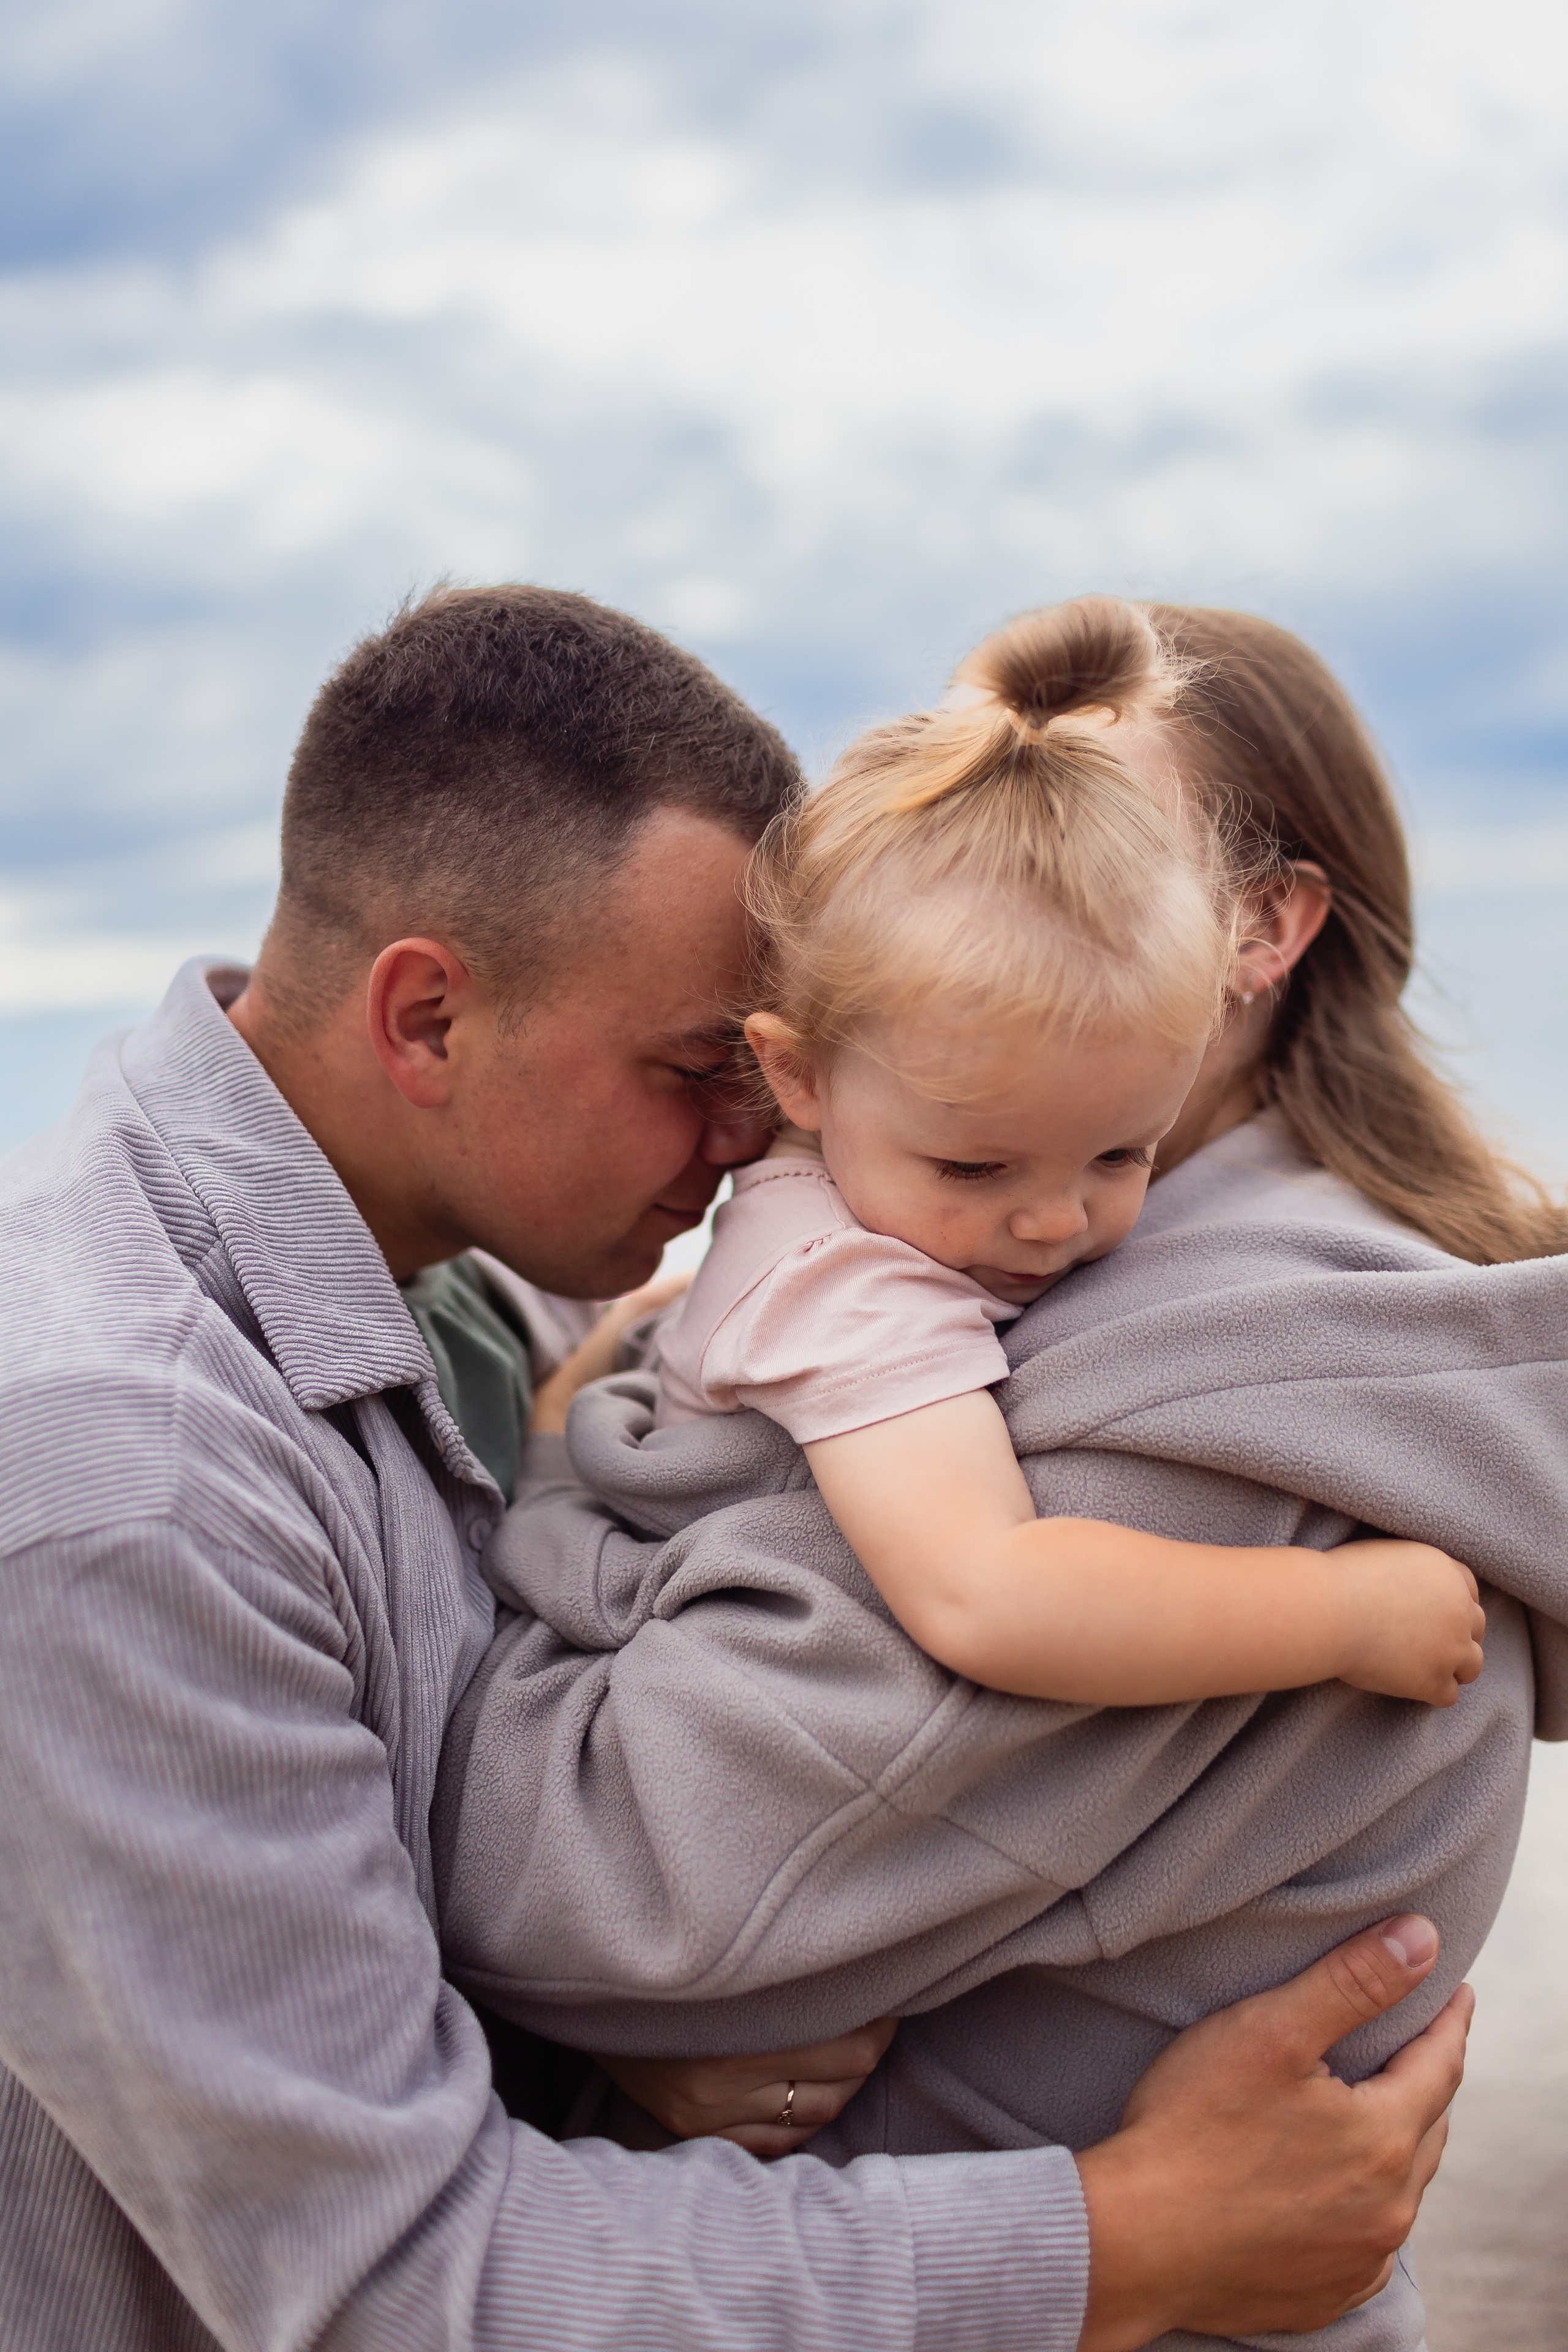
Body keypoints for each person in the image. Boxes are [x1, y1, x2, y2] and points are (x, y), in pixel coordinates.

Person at [0, 584, 1471, 2352]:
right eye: (708, 1068)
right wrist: (1121, 2239)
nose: (765, 1140)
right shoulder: (125, 1482)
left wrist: (604, 2055)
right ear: (427, 1022)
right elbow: (389, 2283)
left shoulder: (458, 1288)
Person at [428, 598, 1568, 2352]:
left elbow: (611, 1896)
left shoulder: (1204, 1407)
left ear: (1259, 932)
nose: (992, 880)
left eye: (1078, 822)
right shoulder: (1065, 1286)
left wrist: (602, 2024)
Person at [628, 594, 1482, 1712]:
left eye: (1121, 1156)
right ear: (798, 1074)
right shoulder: (844, 1287)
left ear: (1250, 938)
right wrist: (1346, 1614)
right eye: (977, 1169)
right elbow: (991, 1595)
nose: (1053, 1222)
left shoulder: (888, 1159)